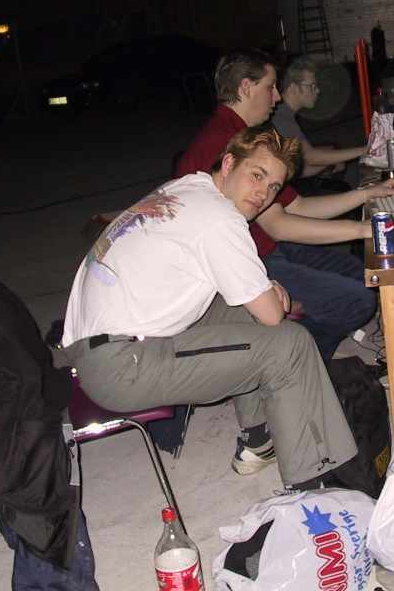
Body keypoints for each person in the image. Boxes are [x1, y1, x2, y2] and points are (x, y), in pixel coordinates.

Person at [60, 127, 357, 491]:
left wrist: (264, 290)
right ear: (229, 163)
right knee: (290, 344)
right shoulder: (219, 217)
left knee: (248, 313)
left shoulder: (186, 188)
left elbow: (256, 303)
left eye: (274, 186)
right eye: (257, 175)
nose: (263, 194)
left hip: (103, 345)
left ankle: (258, 440)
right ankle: (314, 481)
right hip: (122, 366)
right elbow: (271, 314)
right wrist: (270, 293)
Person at [175, 47, 394, 361]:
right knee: (356, 300)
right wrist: (362, 228)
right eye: (270, 86)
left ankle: (298, 340)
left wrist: (368, 194)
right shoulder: (226, 143)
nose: (277, 96)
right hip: (247, 259)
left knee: (363, 271)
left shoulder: (243, 136)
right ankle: (293, 362)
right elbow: (281, 226)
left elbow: (297, 207)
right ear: (246, 87)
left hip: (267, 246)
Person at [272, 56, 369, 179]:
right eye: (312, 86)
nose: (317, 91)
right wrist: (366, 150)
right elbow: (311, 158)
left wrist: (331, 160)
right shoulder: (280, 117)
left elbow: (301, 171)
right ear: (294, 88)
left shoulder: (283, 112)